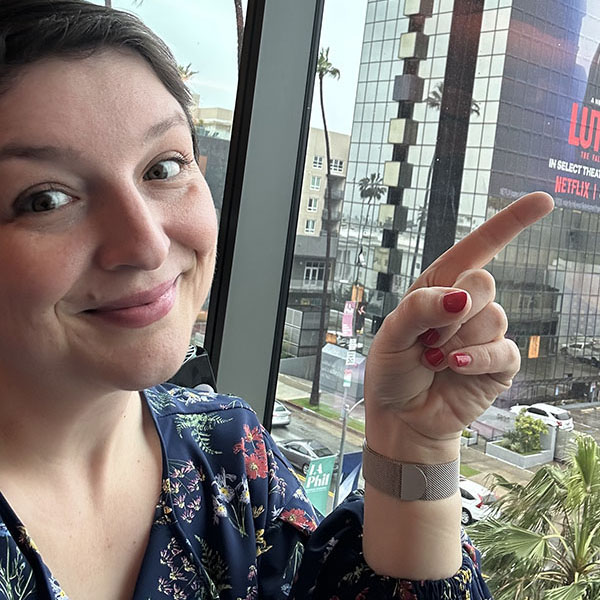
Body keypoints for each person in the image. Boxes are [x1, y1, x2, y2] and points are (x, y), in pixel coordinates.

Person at [0, 1, 554, 598]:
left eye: (162, 167)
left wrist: (414, 445)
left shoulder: (227, 456)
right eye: (45, 200)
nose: (147, 244)